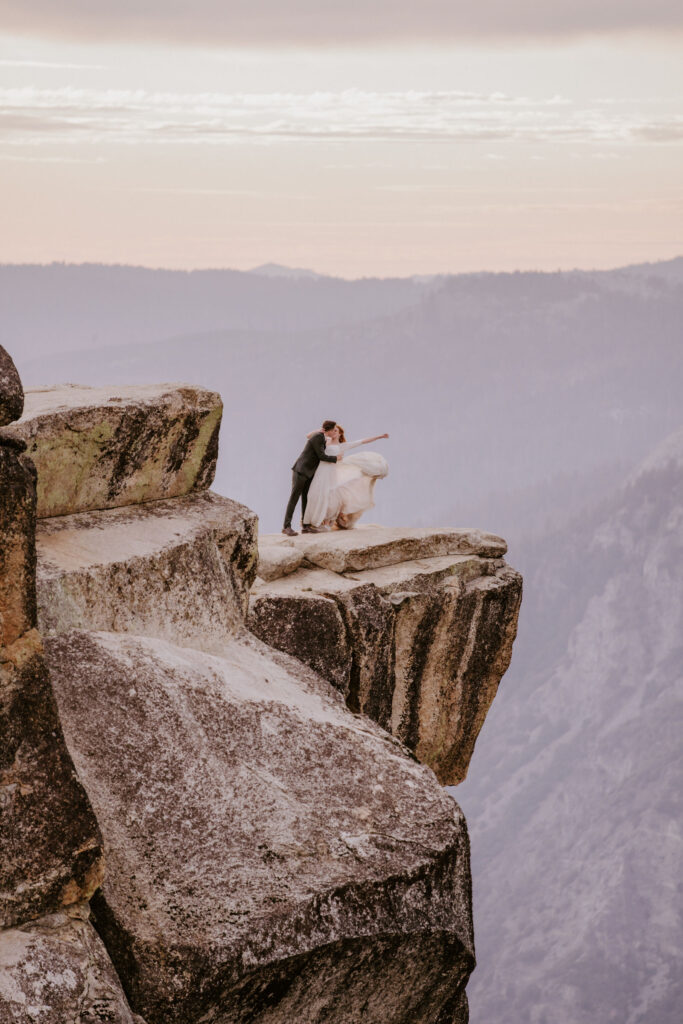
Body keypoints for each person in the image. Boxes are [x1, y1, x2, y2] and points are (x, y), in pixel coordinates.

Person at [303, 424, 389, 530]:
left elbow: (362, 441)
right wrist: (320, 430)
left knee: (332, 495)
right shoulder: (325, 441)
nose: (334, 432)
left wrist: (379, 437)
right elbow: (309, 436)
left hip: (333, 472)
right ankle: (314, 521)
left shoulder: (342, 446)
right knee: (317, 494)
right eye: (332, 430)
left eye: (336, 431)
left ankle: (327, 521)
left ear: (340, 434)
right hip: (322, 472)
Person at [283, 420, 342, 536]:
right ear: (329, 430)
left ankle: (306, 526)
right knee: (294, 498)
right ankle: (286, 527)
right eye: (334, 429)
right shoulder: (318, 437)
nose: (335, 431)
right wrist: (336, 459)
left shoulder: (322, 438)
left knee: (306, 498)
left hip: (309, 472)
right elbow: (321, 456)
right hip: (301, 471)